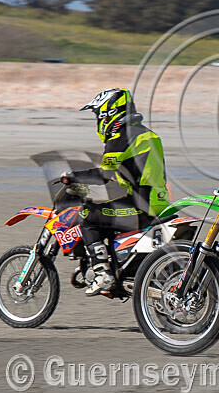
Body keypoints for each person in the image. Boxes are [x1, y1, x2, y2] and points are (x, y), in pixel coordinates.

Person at [61, 88, 169, 296]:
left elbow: (104, 172)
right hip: (158, 202)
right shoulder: (146, 133)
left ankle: (102, 275)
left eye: (96, 115)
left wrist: (72, 177)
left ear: (107, 112)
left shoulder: (122, 135)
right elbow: (131, 176)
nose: (96, 121)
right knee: (105, 210)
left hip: (142, 206)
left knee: (89, 216)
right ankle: (116, 264)